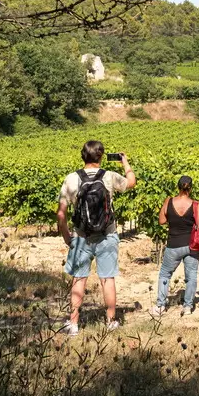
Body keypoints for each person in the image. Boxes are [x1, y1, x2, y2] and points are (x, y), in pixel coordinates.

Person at [56, 140, 136, 335]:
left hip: (81, 236)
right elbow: (131, 183)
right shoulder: (109, 177)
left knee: (79, 279)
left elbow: (61, 214)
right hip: (106, 235)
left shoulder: (71, 179)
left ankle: (73, 323)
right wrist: (125, 162)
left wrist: (68, 237)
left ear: (83, 155)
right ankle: (110, 321)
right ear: (101, 156)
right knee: (107, 279)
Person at [151, 175, 199, 316]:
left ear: (178, 187)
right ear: (191, 189)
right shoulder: (196, 205)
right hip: (191, 246)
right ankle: (188, 306)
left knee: (165, 274)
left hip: (173, 245)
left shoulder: (169, 201)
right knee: (191, 277)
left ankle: (160, 305)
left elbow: (161, 220)